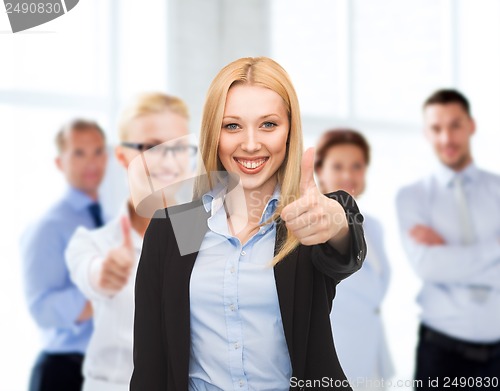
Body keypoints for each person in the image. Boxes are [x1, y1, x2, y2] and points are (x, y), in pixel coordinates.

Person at [130, 57, 367, 391]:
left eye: (269, 124)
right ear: (213, 133)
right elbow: (150, 368)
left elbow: (344, 246)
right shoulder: (175, 230)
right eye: (232, 126)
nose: (252, 143)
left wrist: (338, 223)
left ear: (289, 132)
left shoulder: (304, 221)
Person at [65, 92, 193, 391]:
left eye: (179, 148)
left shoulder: (208, 233)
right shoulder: (93, 244)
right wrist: (105, 273)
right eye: (152, 147)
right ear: (122, 156)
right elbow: (93, 274)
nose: (168, 160)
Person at [396, 89, 500, 390]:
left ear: (471, 126)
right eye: (436, 128)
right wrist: (495, 248)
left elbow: (443, 265)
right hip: (440, 353)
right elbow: (429, 268)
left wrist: (450, 254)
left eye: (455, 125)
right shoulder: (412, 197)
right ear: (426, 133)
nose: (446, 138)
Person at [20, 119, 108, 391]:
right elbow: (42, 309)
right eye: (79, 153)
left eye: (97, 152)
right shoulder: (48, 226)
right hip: (63, 372)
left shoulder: (109, 218)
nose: (91, 163)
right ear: (60, 162)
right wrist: (106, 293)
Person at [314, 129, 393, 390]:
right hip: (338, 359)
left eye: (356, 166)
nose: (348, 175)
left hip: (374, 361)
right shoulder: (310, 226)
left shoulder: (375, 227)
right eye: (338, 166)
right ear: (319, 171)